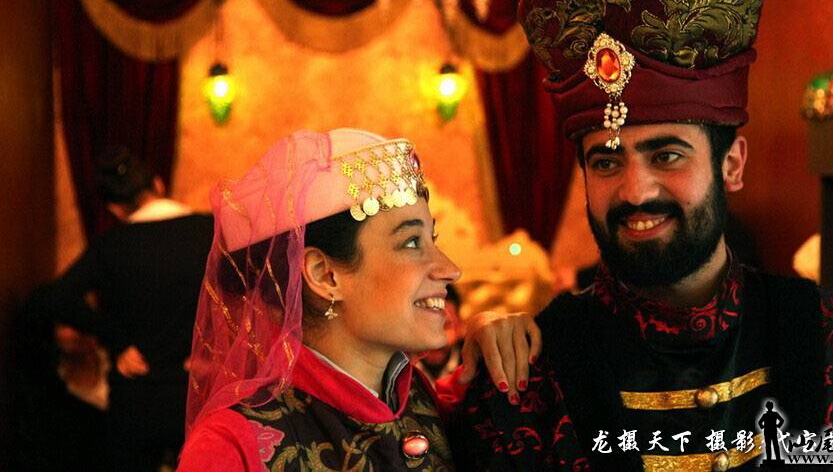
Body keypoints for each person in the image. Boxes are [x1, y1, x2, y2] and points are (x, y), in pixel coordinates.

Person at [458, 0, 833, 470]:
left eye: (667, 155)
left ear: (732, 165)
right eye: (606, 162)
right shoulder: (527, 383)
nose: (635, 192)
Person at [179, 128, 539, 471]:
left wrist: (496, 339)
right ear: (325, 275)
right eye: (412, 242)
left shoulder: (424, 402)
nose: (451, 269)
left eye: (433, 239)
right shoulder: (233, 445)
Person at [28, 146, 214, 471]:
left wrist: (116, 339)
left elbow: (56, 297)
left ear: (114, 208)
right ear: (158, 183)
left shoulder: (110, 245)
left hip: (135, 399)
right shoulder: (209, 230)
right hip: (198, 393)